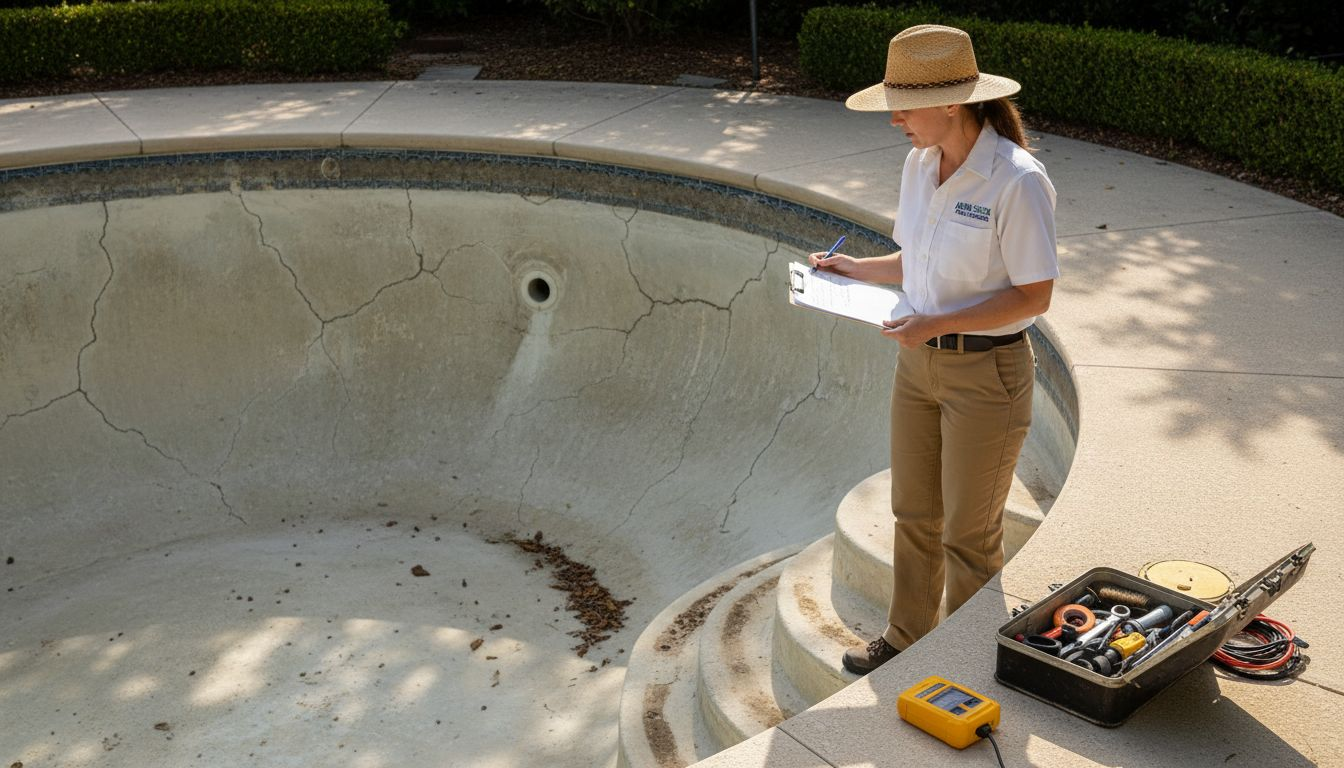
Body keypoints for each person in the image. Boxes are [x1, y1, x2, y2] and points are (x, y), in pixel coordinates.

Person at [809, 24, 1059, 675]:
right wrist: (854, 269)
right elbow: (915, 258)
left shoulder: (1017, 181)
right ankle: (905, 640)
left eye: (904, 108)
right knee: (914, 513)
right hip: (917, 365)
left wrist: (935, 322)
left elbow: (1034, 294)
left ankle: (966, 665)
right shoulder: (919, 165)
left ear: (951, 103)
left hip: (988, 375)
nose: (895, 120)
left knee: (968, 536)